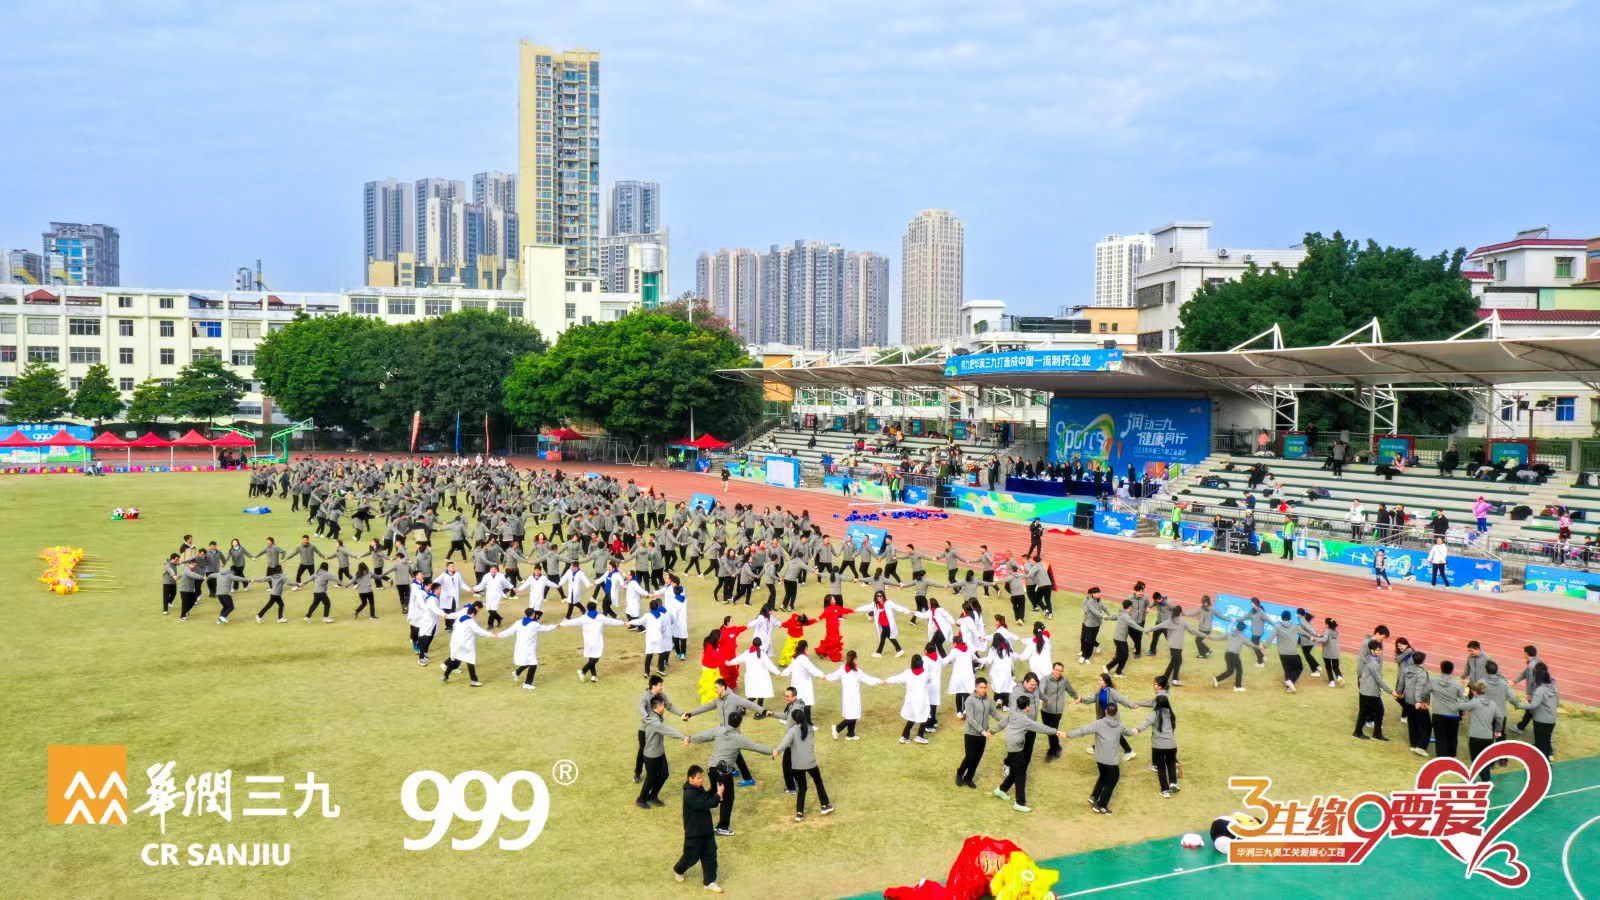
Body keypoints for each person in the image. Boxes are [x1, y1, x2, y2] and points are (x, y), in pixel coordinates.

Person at [687, 709, 773, 837]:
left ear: (727, 721)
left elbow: (704, 735)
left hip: (711, 768)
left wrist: (689, 738)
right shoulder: (739, 738)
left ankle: (696, 806)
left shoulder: (719, 730)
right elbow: (756, 746)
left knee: (714, 790)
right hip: (723, 772)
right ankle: (722, 827)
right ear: (739, 723)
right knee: (727, 798)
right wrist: (772, 751)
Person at [991, 695, 1065, 814]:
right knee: (1021, 775)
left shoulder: (1013, 713)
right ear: (1027, 707)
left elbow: (1002, 723)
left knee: (1015, 771)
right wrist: (1056, 731)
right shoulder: (1025, 720)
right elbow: (1040, 727)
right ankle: (1019, 803)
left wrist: (992, 731)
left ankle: (1001, 790)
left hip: (1011, 747)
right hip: (1016, 749)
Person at [1069, 703, 1138, 815]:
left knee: (1103, 776)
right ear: (1116, 712)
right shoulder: (1120, 726)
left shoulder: (1098, 723)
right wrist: (1136, 729)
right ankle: (1101, 805)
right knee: (1113, 779)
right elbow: (1130, 733)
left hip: (1100, 758)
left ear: (1106, 711)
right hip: (1111, 760)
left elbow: (1083, 730)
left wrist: (1068, 734)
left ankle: (1094, 797)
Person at [772, 707, 832, 821]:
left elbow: (785, 743)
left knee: (802, 788)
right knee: (818, 782)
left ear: (794, 720)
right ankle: (825, 805)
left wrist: (777, 752)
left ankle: (799, 813)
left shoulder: (792, 731)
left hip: (797, 765)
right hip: (811, 762)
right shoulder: (810, 729)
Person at [672, 765, 724, 892]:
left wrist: (717, 793)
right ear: (690, 779)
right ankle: (678, 869)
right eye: (699, 778)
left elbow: (707, 799)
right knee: (691, 857)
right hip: (694, 834)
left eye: (702, 777)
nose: (701, 780)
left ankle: (709, 882)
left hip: (706, 831)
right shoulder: (689, 794)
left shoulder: (699, 789)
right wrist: (718, 795)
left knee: (710, 856)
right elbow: (704, 804)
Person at [638, 695, 688, 809]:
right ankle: (641, 799)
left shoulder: (656, 715)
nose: (665, 707)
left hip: (659, 753)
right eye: (663, 705)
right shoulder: (655, 722)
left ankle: (653, 796)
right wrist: (683, 737)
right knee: (651, 778)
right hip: (651, 755)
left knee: (664, 774)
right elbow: (667, 730)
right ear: (659, 706)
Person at [560, 601, 625, 683]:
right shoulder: (600, 617)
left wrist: (561, 624)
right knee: (596, 657)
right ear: (595, 608)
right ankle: (583, 671)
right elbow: (611, 621)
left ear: (587, 608)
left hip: (588, 641)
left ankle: (594, 676)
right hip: (597, 640)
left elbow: (573, 622)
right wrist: (623, 623)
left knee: (591, 657)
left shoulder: (583, 618)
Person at [955, 678, 1003, 788]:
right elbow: (970, 719)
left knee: (977, 757)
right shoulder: (970, 700)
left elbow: (994, 713)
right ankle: (960, 772)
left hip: (982, 735)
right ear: (976, 687)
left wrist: (1005, 720)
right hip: (971, 734)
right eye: (981, 687)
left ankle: (968, 778)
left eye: (985, 687)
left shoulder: (988, 700)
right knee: (970, 757)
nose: (983, 690)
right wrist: (982, 731)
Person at [824, 650, 882, 740]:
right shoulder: (856, 671)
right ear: (855, 659)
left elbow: (834, 676)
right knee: (852, 716)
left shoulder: (843, 668)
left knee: (853, 714)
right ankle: (837, 728)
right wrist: (879, 681)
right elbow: (867, 679)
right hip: (853, 697)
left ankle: (850, 734)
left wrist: (826, 676)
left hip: (846, 696)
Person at [498, 607, 558, 689]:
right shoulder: (534, 624)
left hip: (520, 646)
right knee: (533, 664)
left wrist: (499, 635)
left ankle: (517, 673)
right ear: (533, 614)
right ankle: (527, 683)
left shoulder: (518, 622)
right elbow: (546, 628)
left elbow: (509, 631)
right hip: (529, 648)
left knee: (527, 662)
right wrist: (555, 626)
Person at [1510, 662, 1558, 759]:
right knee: (1546, 741)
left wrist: (1518, 705)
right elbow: (1557, 702)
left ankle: (1542, 763)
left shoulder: (1540, 690)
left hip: (1541, 721)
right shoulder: (1554, 687)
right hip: (1551, 720)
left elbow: (1533, 706)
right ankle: (1549, 757)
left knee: (1540, 746)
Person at [439, 603, 494, 686]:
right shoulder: (470, 621)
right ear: (473, 614)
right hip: (466, 645)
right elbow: (479, 631)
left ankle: (445, 676)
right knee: (470, 661)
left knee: (455, 660)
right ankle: (474, 680)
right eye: (475, 615)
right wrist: (491, 634)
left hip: (457, 643)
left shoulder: (460, 619)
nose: (475, 617)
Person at [1138, 694, 1180, 797]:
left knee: (1161, 768)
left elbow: (1146, 723)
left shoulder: (1155, 714)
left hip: (1158, 746)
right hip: (1172, 745)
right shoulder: (1171, 714)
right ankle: (1173, 783)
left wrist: (1137, 729)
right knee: (1171, 764)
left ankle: (1165, 790)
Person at [887, 654, 935, 744]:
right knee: (924, 715)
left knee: (912, 716)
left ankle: (904, 736)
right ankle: (920, 735)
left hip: (911, 699)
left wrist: (887, 680)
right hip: (922, 699)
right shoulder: (926, 673)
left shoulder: (908, 673)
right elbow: (929, 680)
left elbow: (897, 678)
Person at [1353, 638, 1392, 741]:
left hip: (1366, 691)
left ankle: (1360, 732)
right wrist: (1391, 691)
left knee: (1366, 712)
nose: (1380, 651)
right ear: (1372, 650)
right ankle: (1374, 734)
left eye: (1380, 649)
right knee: (1377, 711)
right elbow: (1379, 680)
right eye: (1378, 650)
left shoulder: (1370, 659)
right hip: (1370, 692)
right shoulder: (1373, 663)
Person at [1430, 660, 1465, 759]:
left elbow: (1424, 692)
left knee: (1440, 737)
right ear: (1452, 670)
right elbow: (1463, 699)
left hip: (1438, 713)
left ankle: (1442, 759)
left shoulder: (1432, 681)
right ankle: (1451, 757)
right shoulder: (1457, 685)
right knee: (1452, 736)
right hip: (1453, 714)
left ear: (1441, 669)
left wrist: (1424, 700)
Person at [1212, 620, 1257, 692]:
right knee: (1239, 670)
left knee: (1230, 671)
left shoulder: (1229, 633)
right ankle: (1237, 686)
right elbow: (1251, 644)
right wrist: (1259, 647)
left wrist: (1210, 637)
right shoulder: (1242, 636)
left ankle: (1217, 679)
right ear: (1243, 629)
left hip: (1227, 654)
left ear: (1236, 626)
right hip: (1234, 655)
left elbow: (1218, 638)